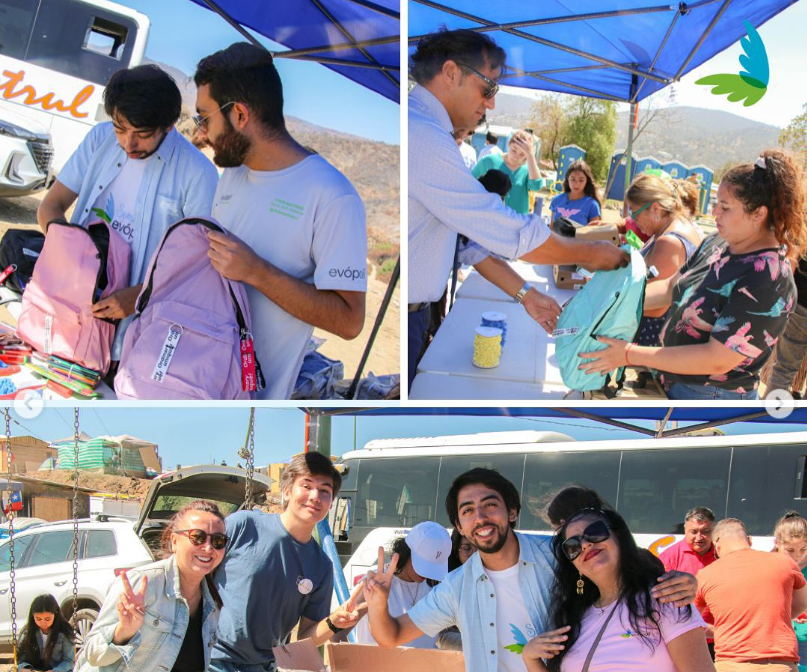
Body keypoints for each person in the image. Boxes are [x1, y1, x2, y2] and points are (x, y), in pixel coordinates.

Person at [362, 468, 698, 672]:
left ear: (511, 511)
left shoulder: (557, 554)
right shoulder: (457, 586)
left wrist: (678, 580)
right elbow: (391, 636)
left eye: (490, 505)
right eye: (467, 511)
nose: (480, 516)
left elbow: (621, 563)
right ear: (460, 527)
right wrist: (377, 603)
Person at [408, 27, 626, 387]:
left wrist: (526, 295)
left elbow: (468, 245)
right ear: (451, 73)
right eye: (488, 87)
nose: (491, 102)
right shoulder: (425, 138)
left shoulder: (429, 134)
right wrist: (591, 254)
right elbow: (506, 230)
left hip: (422, 315)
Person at [193, 43, 367, 399]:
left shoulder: (333, 196)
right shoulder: (231, 176)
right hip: (201, 380)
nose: (201, 134)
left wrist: (256, 271)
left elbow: (350, 321)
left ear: (239, 115)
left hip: (257, 398)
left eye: (204, 118)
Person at [581, 150, 807, 400]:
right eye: (716, 204)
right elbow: (671, 287)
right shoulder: (718, 242)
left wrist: (627, 354)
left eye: (725, 207)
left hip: (709, 399)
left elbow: (716, 359)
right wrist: (609, 300)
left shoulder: (769, 278)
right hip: (673, 380)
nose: (715, 214)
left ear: (758, 214)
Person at [37, 65, 218, 361]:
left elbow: (199, 266)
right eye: (120, 129)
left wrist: (139, 295)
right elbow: (50, 207)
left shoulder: (199, 174)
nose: (128, 144)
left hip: (137, 339)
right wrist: (69, 257)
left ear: (170, 124)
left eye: (143, 134)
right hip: (70, 310)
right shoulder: (100, 138)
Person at [522, 505, 718, 672]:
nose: (586, 544)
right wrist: (530, 658)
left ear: (620, 537)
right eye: (573, 545)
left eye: (595, 532)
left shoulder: (663, 598)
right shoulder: (578, 617)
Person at [66, 501, 227, 672]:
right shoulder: (142, 584)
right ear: (174, 541)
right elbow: (92, 653)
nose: (208, 547)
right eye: (197, 537)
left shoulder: (212, 603)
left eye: (218, 540)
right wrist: (124, 631)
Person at [208, 452, 361, 672]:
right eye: (306, 486)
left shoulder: (321, 566)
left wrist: (333, 622)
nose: (315, 496)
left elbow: (305, 636)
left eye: (325, 491)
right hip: (211, 661)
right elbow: (198, 579)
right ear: (287, 491)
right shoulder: (243, 526)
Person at [694, 518, 807, 672]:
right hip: (779, 671)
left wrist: (720, 629)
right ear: (749, 541)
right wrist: (775, 621)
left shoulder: (707, 573)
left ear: (717, 545)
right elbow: (801, 603)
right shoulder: (784, 562)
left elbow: (691, 623)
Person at [624, 174, 703, 348]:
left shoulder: (669, 242)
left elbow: (658, 307)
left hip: (655, 345)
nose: (634, 222)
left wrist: (613, 299)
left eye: (635, 214)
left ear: (655, 209)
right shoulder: (675, 226)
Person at [351, 522, 451, 648]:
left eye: (431, 568)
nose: (425, 574)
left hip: (424, 666)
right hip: (378, 665)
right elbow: (342, 626)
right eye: (422, 565)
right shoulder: (376, 583)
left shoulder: (434, 589)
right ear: (407, 552)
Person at [772, 512, 807, 672]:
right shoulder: (767, 568)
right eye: (790, 550)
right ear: (777, 543)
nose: (798, 557)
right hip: (778, 652)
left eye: (803, 549)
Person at [765, 251, 807, 398]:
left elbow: (791, 262)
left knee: (784, 368)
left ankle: (770, 414)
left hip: (800, 303)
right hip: (801, 303)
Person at [472, 130, 543, 215]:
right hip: (490, 217)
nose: (516, 156)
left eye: (522, 154)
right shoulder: (489, 161)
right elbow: (470, 181)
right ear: (509, 144)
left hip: (518, 222)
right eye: (514, 150)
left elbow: (536, 186)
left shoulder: (529, 168)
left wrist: (530, 155)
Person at [659, 507, 717, 575]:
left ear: (714, 530)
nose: (699, 538)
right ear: (685, 529)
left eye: (705, 531)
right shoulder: (669, 556)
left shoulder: (722, 553)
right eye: (693, 532)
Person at [548, 160, 602, 226]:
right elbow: (551, 229)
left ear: (587, 181)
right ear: (567, 179)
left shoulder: (592, 205)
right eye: (573, 179)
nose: (576, 184)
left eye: (581, 180)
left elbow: (593, 233)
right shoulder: (556, 200)